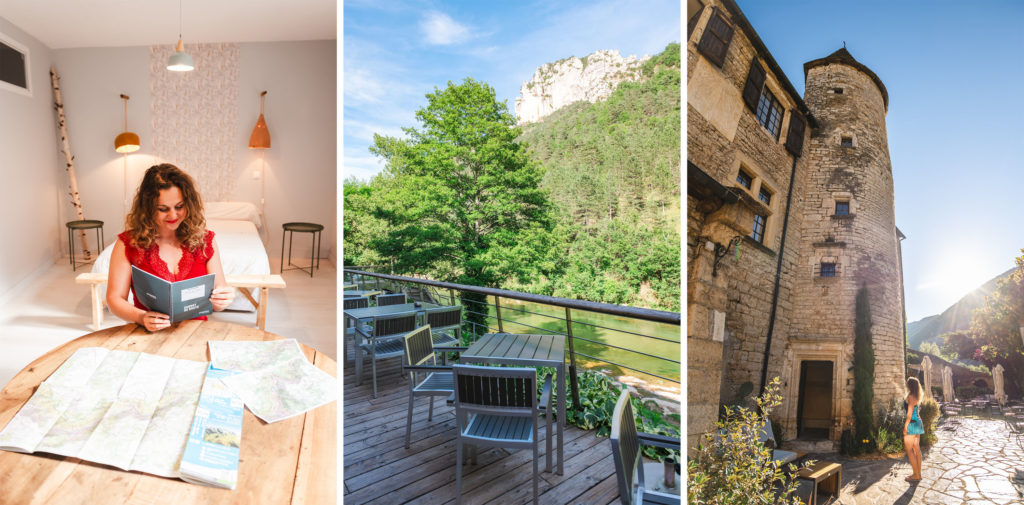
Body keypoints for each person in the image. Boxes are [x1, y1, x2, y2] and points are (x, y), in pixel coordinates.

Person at [106, 164, 234, 331]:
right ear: (148, 208)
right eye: (163, 209)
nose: (173, 215)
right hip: (146, 334)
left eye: (179, 207)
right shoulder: (128, 243)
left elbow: (218, 298)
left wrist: (222, 300)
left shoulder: (205, 241)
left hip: (195, 335)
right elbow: (114, 299)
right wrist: (141, 317)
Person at [903, 376, 925, 483]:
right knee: (916, 448)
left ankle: (916, 475)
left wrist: (905, 426)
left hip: (911, 424)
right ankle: (918, 474)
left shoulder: (911, 397)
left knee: (909, 450)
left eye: (907, 382)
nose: (906, 384)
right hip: (918, 423)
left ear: (910, 385)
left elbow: (909, 414)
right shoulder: (916, 396)